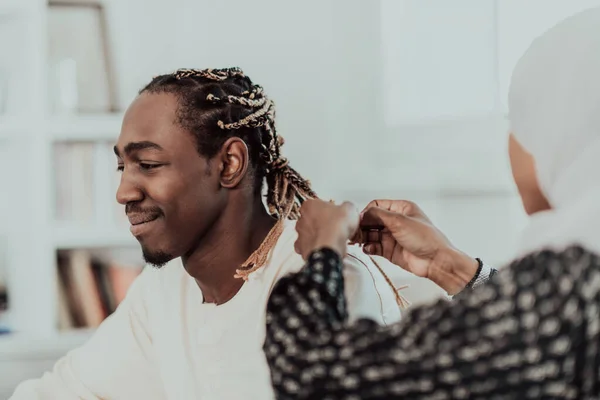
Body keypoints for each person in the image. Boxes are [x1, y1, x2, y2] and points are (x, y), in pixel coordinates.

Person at [11, 68, 409, 399]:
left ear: (229, 164)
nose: (123, 192)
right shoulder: (163, 288)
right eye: (122, 168)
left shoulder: (326, 275)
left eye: (148, 164)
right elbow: (65, 391)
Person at [264, 7, 600, 399]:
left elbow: (313, 375)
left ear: (563, 130)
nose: (512, 143)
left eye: (517, 120)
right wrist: (453, 268)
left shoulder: (569, 289)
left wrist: (322, 253)